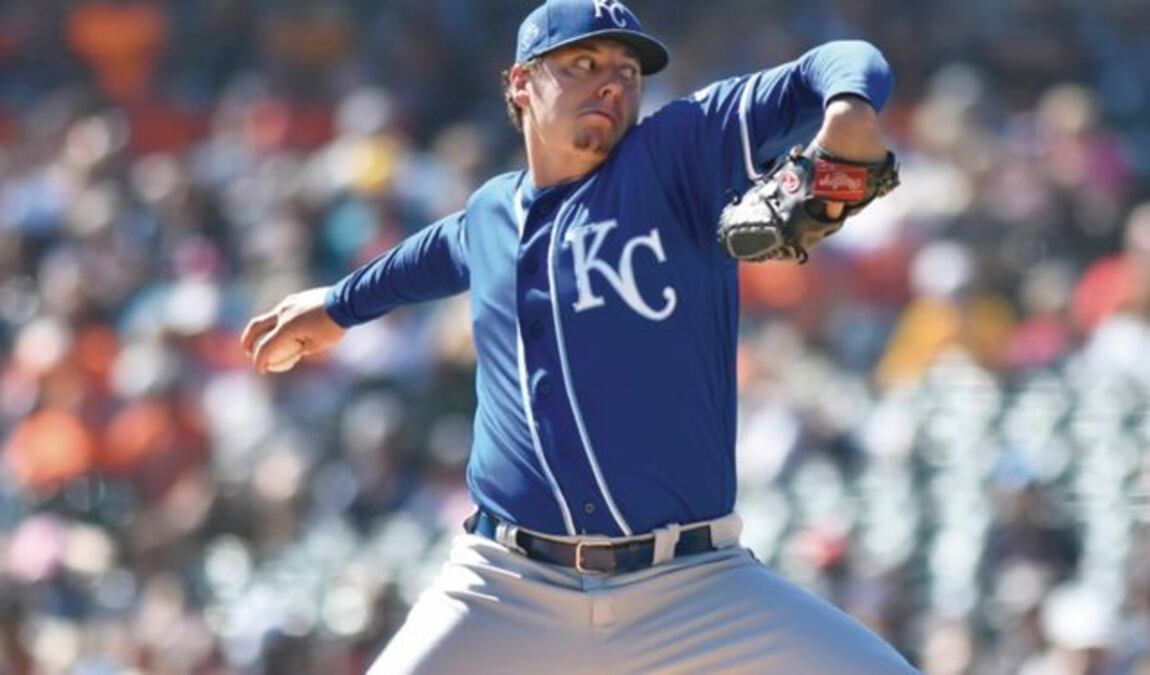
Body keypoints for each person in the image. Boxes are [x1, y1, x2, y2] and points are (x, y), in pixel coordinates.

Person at [240, 1, 918, 672]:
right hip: (505, 587)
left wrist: (850, 112)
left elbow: (842, 60)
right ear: (520, 83)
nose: (613, 84)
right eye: (585, 64)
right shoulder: (491, 213)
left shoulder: (678, 157)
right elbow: (438, 252)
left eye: (628, 71)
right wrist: (338, 305)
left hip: (691, 587)